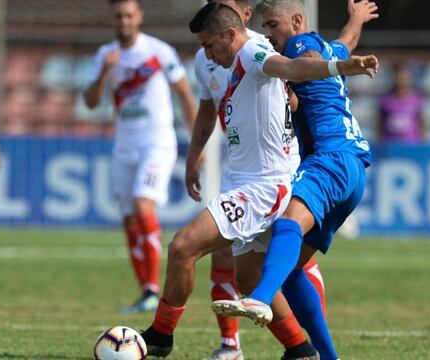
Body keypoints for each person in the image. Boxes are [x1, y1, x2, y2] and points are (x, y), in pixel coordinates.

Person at [139, 3, 378, 359]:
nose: (206, 54)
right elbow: (336, 46)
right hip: (249, 182)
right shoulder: (224, 63)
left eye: (209, 45)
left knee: (183, 247)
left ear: (230, 34)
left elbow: (292, 67)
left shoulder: (253, 51)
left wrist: (340, 67)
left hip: (266, 186)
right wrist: (355, 20)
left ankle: (161, 335)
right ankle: (302, 351)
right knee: (249, 276)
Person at [212, 1, 378, 359]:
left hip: (330, 157)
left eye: (273, 24)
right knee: (292, 266)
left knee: (288, 225)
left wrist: (341, 65)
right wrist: (356, 19)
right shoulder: (327, 47)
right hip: (352, 170)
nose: (268, 33)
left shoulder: (301, 46)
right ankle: (325, 356)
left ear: (298, 22)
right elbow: (346, 41)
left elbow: (305, 65)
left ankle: (258, 298)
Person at [192, 1, 326, 359]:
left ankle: (312, 343)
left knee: (294, 262)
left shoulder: (256, 48)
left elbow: (294, 90)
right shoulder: (207, 56)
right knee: (239, 267)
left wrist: (335, 68)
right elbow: (208, 111)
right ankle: (235, 345)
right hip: (237, 170)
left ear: (243, 14)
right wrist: (194, 156)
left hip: (270, 175)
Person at [84, 0, 197, 313]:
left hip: (156, 142)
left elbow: (185, 95)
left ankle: (154, 290)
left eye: (129, 15)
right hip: (124, 145)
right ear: (112, 18)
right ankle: (147, 290)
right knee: (129, 218)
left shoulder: (158, 52)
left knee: (142, 204)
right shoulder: (106, 55)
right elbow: (91, 101)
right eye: (119, 15)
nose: (123, 21)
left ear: (139, 17)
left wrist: (195, 143)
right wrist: (105, 71)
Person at [378, 62, 424, 142]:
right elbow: (380, 124)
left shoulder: (416, 99)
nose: (401, 79)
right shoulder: (385, 99)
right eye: (398, 76)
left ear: (409, 78)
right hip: (390, 145)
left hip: (410, 145)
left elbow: (421, 123)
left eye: (403, 77)